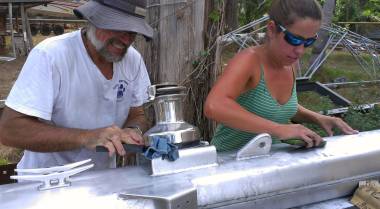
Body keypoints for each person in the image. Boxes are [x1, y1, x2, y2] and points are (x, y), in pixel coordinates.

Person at [0, 0, 154, 170]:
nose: (126, 39)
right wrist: (85, 137)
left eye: (133, 32)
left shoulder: (133, 60)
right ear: (94, 19)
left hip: (102, 184)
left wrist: (133, 130)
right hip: (45, 183)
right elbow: (10, 130)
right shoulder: (51, 55)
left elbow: (137, 113)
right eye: (117, 27)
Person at [204, 0, 358, 152]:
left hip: (268, 164)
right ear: (271, 29)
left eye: (309, 41)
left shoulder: (289, 64)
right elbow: (214, 105)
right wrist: (279, 129)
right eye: (294, 39)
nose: (300, 50)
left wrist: (318, 118)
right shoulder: (249, 60)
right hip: (227, 163)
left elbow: (278, 107)